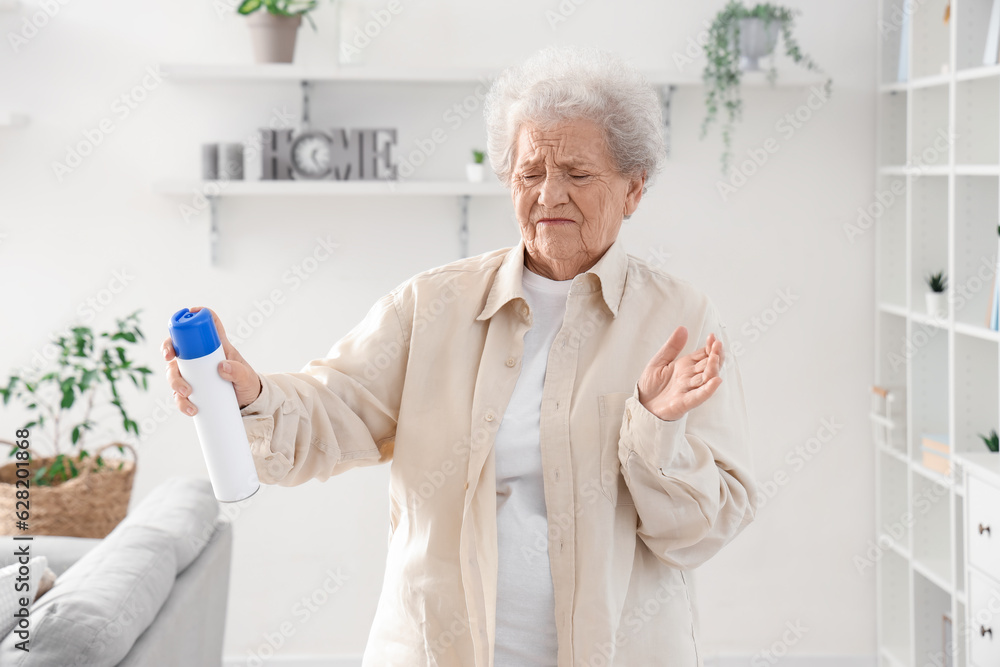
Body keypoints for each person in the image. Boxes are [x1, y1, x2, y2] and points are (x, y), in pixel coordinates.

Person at [163, 45, 758, 667]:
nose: (549, 194)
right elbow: (332, 413)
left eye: (578, 174)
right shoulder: (430, 305)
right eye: (530, 173)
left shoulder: (680, 321)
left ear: (633, 190)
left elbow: (702, 531)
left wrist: (657, 431)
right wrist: (250, 392)